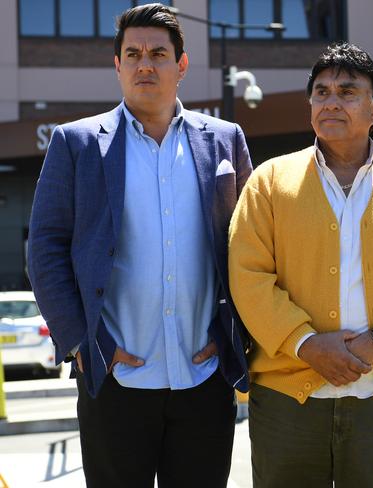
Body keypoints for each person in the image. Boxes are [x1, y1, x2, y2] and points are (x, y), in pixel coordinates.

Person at [27, 4, 252, 487]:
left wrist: (234, 335)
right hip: (114, 379)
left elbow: (250, 245)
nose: (144, 64)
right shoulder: (78, 143)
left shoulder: (224, 141)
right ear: (117, 65)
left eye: (157, 53)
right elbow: (45, 248)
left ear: (182, 65)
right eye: (132, 53)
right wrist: (80, 343)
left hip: (204, 375)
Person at [228, 42, 373, 488]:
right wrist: (306, 344)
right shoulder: (270, 182)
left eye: (348, 91)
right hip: (286, 398)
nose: (331, 101)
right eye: (321, 91)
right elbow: (248, 274)